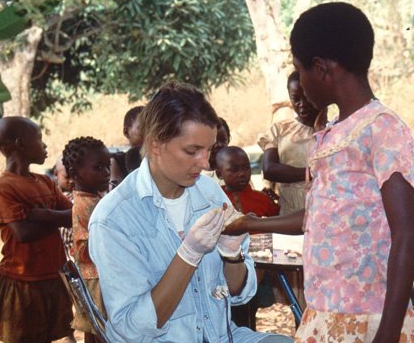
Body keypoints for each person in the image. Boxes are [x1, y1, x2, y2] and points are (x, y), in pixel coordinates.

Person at [225, 2, 414, 342]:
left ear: (321, 69)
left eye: (299, 71)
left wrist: (387, 334)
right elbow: (315, 218)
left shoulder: (382, 129)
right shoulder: (329, 134)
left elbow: (405, 234)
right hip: (324, 314)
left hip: (370, 318)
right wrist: (250, 224)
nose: (299, 82)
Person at [88, 81, 292, 342]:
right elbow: (132, 330)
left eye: (208, 150)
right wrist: (188, 254)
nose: (205, 163)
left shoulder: (209, 194)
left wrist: (232, 255)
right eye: (192, 151)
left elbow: (239, 293)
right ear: (154, 145)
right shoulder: (113, 219)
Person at [0, 116, 74, 343]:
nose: (45, 145)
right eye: (39, 138)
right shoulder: (3, 186)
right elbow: (23, 233)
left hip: (52, 275)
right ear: (20, 144)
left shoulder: (46, 182)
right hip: (22, 280)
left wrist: (41, 215)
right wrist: (55, 218)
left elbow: (72, 218)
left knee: (50, 334)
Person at [216, 146, 280, 330]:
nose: (242, 174)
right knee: (229, 313)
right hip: (227, 267)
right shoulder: (214, 198)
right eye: (233, 169)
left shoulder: (260, 198)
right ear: (219, 173)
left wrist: (275, 202)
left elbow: (276, 218)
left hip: (258, 265)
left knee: (251, 308)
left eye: (245, 168)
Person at [62, 136, 111, 343]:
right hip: (96, 277)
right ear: (74, 174)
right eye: (98, 168)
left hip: (93, 275)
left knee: (94, 328)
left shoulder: (92, 198)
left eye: (107, 166)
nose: (106, 173)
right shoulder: (88, 205)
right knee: (101, 328)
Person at [257, 70, 322, 217]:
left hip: (323, 213)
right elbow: (269, 169)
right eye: (296, 99)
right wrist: (311, 173)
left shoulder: (333, 130)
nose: (302, 104)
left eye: (306, 97)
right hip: (289, 213)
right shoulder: (280, 130)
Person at [54, 155, 76, 260]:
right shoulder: (50, 198)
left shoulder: (79, 197)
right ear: (56, 174)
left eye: (74, 176)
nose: (71, 181)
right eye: (67, 177)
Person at [202, 117, 231, 184]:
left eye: (223, 140)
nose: (218, 145)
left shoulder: (236, 173)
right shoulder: (195, 176)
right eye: (213, 141)